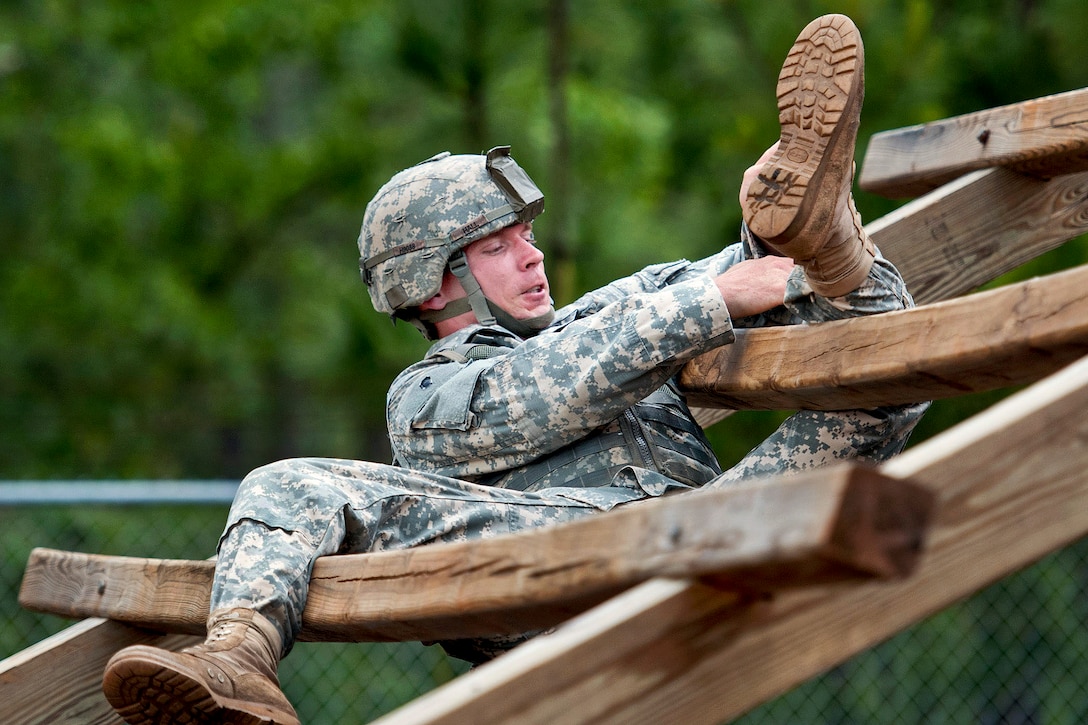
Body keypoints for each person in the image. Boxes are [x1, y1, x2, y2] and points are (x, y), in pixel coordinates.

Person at [101, 14, 927, 725]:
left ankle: (833, 231)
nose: (532, 257)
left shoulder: (606, 314)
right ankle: (238, 660)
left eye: (527, 236)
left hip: (716, 532)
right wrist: (709, 301)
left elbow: (710, 283)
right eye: (498, 245)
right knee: (285, 483)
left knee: (887, 374)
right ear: (433, 282)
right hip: (558, 566)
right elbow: (543, 394)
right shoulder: (424, 397)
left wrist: (770, 228)